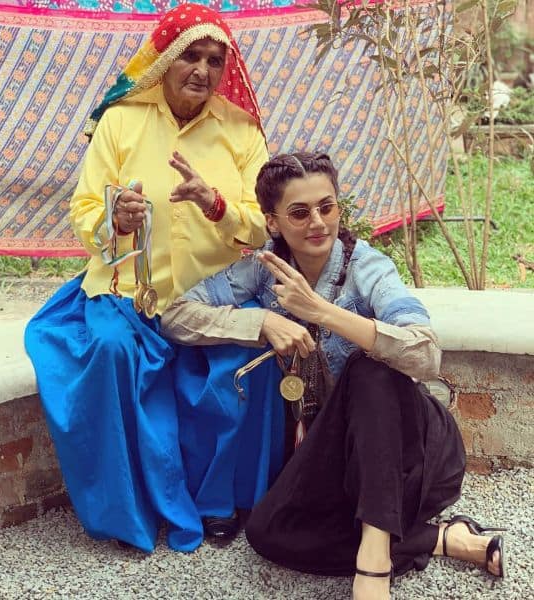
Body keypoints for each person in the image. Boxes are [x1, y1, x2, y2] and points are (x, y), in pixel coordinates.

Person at [160, 152, 505, 599]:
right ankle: (441, 538)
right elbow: (176, 317)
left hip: (412, 455)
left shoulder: (368, 268)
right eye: (300, 213)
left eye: (327, 207)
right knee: (268, 534)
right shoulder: (265, 271)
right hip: (339, 455)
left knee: (369, 369)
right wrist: (260, 321)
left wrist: (322, 312)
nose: (318, 222)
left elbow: (425, 354)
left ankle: (374, 564)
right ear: (273, 222)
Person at [25, 4, 278, 554]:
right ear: (164, 60)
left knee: (242, 363)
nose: (203, 70)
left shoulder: (241, 130)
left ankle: (217, 502)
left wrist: (216, 204)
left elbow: (265, 222)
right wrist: (114, 220)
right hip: (127, 292)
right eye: (191, 55)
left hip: (213, 294)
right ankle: (130, 509)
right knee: (111, 351)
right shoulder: (120, 121)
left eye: (215, 60)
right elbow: (84, 209)